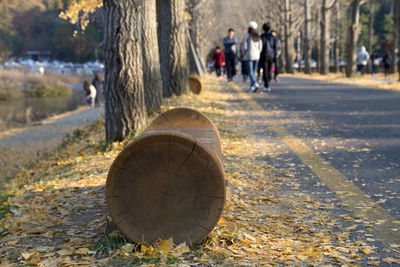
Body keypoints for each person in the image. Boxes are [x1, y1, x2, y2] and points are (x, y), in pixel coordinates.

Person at [240, 21, 262, 92]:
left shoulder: (247, 36)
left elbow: (244, 46)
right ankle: (252, 86)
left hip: (249, 55)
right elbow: (260, 46)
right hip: (257, 56)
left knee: (250, 71)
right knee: (254, 71)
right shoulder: (258, 35)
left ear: (249, 28)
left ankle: (254, 83)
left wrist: (243, 53)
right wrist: (258, 52)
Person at [259, 23, 276, 92]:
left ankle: (266, 85)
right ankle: (268, 80)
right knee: (269, 69)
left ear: (263, 29)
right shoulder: (272, 37)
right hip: (271, 54)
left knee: (265, 70)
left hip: (264, 54)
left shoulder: (262, 36)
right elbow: (274, 46)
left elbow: (260, 46)